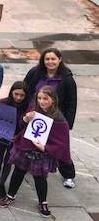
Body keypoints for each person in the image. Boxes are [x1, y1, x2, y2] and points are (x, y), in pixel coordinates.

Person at [0, 86, 71, 217]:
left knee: (40, 178)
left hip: (41, 154)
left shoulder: (59, 119)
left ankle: (42, 201)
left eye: (45, 98)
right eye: (39, 98)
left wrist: (45, 147)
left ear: (53, 100)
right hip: (25, 148)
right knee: (18, 172)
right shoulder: (34, 109)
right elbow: (22, 125)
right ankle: (11, 195)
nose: (41, 101)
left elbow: (62, 142)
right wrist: (26, 119)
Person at [23, 47, 77, 188]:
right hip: (35, 116)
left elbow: (72, 103)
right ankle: (32, 166)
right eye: (47, 59)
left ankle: (68, 175)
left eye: (53, 59)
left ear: (59, 60)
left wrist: (68, 124)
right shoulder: (35, 73)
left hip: (55, 119)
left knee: (61, 148)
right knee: (33, 142)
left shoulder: (67, 79)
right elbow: (25, 89)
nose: (50, 62)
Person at [0, 81, 28, 197]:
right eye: (16, 94)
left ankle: (1, 183)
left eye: (22, 95)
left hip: (15, 140)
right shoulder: (3, 102)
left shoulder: (27, 108)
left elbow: (26, 127)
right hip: (2, 137)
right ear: (11, 92)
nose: (18, 97)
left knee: (8, 162)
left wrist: (17, 137)